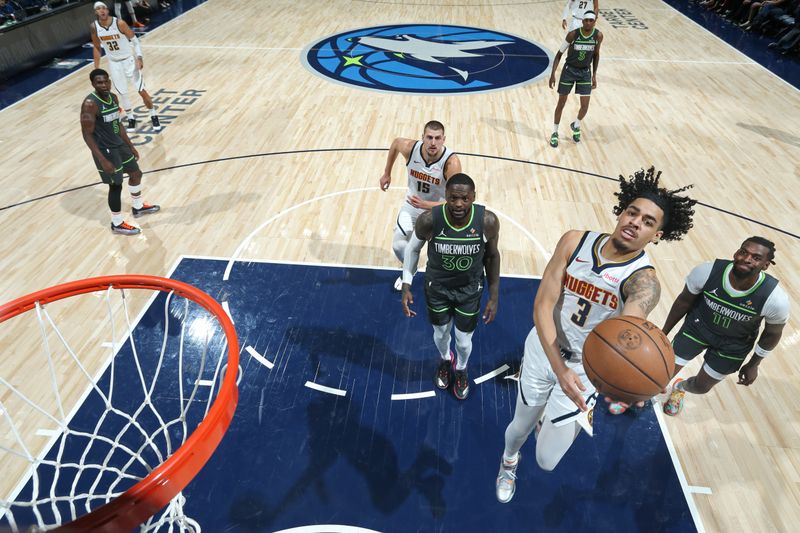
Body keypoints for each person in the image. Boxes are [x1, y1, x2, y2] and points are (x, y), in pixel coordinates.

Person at [495, 167, 697, 503]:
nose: (635, 222)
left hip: (587, 370)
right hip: (544, 350)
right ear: (621, 212)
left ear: (657, 235)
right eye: (632, 212)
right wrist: (559, 370)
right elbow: (543, 305)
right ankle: (508, 461)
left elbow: (630, 326)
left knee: (546, 461)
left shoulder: (643, 282)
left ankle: (567, 413)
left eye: (648, 221)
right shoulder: (575, 241)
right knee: (518, 429)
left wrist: (639, 373)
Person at [660, 237, 790, 416]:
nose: (747, 258)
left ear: (766, 265)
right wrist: (662, 334)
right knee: (659, 374)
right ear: (736, 253)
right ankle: (631, 398)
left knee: (701, 387)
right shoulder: (707, 271)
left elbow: (772, 334)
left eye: (756, 257)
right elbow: (683, 301)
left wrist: (754, 364)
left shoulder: (775, 299)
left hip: (734, 345)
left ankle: (680, 387)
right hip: (697, 328)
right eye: (744, 252)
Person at [400, 173, 500, 400]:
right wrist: (407, 283)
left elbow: (492, 257)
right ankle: (446, 359)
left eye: (464, 198)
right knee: (441, 333)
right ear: (445, 195)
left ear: (473, 197)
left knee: (464, 342)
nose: (458, 204)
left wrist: (494, 296)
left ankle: (461, 368)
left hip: (469, 290)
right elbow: (412, 249)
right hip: (437, 288)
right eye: (453, 198)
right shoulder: (429, 220)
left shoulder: (487, 222)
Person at [379, 121, 463, 290]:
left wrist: (427, 204)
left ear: (443, 139)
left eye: (437, 138)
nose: (433, 142)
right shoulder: (411, 148)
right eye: (429, 137)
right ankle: (410, 269)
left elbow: (456, 202)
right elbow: (396, 143)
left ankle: (438, 277)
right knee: (398, 246)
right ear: (422, 137)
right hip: (412, 206)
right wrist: (387, 173)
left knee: (442, 257)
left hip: (438, 211)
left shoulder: (451, 163)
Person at [81, 68, 160, 235]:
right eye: (99, 83)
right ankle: (117, 223)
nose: (103, 85)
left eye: (105, 81)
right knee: (115, 185)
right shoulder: (90, 104)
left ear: (110, 81)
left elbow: (119, 124)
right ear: (93, 84)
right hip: (105, 150)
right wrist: (102, 159)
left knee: (136, 173)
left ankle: (138, 207)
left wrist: (130, 146)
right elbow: (87, 134)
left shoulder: (114, 98)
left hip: (119, 144)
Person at [90, 1, 160, 134]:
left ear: (108, 10)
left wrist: (139, 58)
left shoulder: (119, 23)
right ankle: (131, 118)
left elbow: (135, 40)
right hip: (114, 63)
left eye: (104, 8)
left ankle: (154, 115)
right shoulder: (94, 27)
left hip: (129, 60)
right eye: (99, 9)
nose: (102, 11)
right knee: (123, 93)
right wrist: (96, 68)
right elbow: (97, 47)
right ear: (96, 12)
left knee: (141, 90)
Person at [548, 10, 603, 148]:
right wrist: (553, 73)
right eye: (587, 20)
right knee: (561, 103)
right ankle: (554, 132)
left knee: (585, 106)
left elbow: (596, 55)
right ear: (582, 21)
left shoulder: (598, 35)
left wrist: (594, 75)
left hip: (585, 72)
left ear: (595, 21)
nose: (589, 22)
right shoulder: (573, 34)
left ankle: (576, 125)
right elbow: (559, 54)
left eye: (591, 20)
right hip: (569, 71)